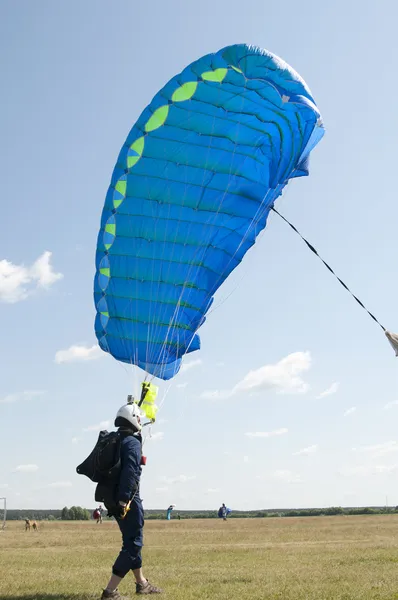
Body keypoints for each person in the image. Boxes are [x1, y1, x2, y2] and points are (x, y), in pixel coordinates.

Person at [100, 402, 162, 599]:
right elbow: (130, 472)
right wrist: (125, 499)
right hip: (127, 500)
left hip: (110, 498)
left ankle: (141, 583)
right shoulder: (132, 442)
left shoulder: (114, 439)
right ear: (135, 419)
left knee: (130, 540)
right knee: (134, 544)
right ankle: (110, 591)